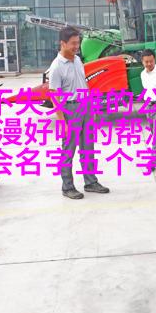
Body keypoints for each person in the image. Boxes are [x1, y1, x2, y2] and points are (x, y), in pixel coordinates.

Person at [48, 26, 110, 199]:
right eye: (73, 43)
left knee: (88, 147)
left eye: (78, 43)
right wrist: (62, 122)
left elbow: (84, 84)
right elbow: (54, 96)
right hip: (70, 109)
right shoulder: (56, 67)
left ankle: (90, 182)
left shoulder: (77, 60)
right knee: (68, 151)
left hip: (85, 106)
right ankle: (67, 187)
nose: (77, 46)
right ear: (63, 43)